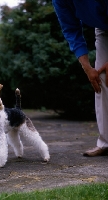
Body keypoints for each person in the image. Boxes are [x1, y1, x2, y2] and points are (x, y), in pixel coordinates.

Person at [52, 0, 108, 156]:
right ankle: (106, 143)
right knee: (101, 79)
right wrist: (87, 68)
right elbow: (71, 30)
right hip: (104, 28)